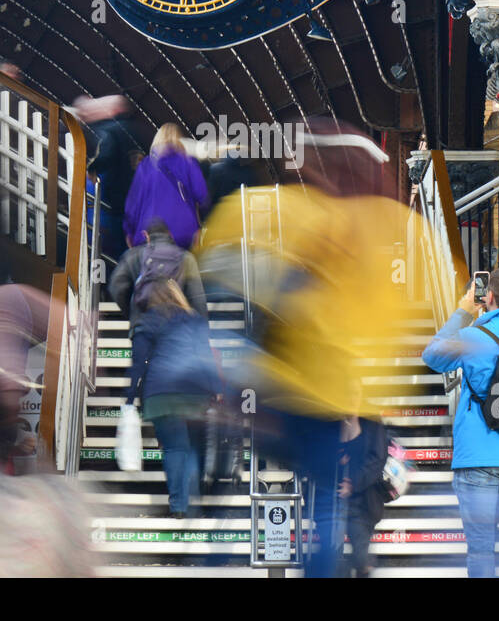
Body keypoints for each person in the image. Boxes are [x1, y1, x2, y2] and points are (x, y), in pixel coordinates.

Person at [198, 118, 431, 577]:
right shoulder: (378, 230)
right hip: (326, 398)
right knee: (326, 507)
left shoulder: (290, 209)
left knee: (245, 481)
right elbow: (393, 323)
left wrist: (277, 289)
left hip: (276, 389)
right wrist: (361, 408)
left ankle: (214, 550)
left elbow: (216, 256)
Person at [421, 268, 499, 578]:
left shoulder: (471, 337)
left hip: (477, 455)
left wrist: (463, 310)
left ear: (488, 297)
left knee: (482, 549)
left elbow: (432, 356)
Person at [125, 279, 223, 519]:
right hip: (193, 390)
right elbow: (204, 356)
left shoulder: (146, 322)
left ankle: (178, 506)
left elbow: (138, 363)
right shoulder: (195, 320)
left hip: (161, 393)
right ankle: (193, 503)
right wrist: (216, 388)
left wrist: (128, 398)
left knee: (174, 448)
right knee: (190, 448)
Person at [75, 95, 147, 263]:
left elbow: (106, 155)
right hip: (137, 195)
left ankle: (115, 274)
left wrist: (91, 168)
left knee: (115, 241)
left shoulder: (109, 130)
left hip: (115, 197)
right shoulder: (137, 130)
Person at [109, 219, 207, 336]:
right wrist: (202, 334)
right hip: (177, 327)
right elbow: (197, 297)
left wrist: (133, 311)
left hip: (143, 325)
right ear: (170, 235)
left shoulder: (133, 256)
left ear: (146, 235)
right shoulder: (186, 258)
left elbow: (116, 286)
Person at [124, 123, 208, 250]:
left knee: (149, 267)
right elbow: (202, 195)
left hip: (148, 232)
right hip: (183, 232)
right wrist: (200, 224)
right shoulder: (188, 162)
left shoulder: (145, 166)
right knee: (182, 268)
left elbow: (134, 203)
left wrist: (129, 231)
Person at [340, 415, 388, 577]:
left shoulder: (372, 421)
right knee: (333, 555)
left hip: (363, 500)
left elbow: (377, 459)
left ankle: (363, 567)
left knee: (361, 557)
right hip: (332, 498)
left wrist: (353, 483)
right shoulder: (333, 418)